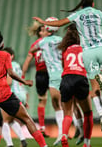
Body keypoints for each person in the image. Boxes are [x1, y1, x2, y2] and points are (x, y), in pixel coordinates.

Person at [33, 0, 102, 133]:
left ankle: (101, 115)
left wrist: (43, 23)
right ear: (93, 4)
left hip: (87, 53)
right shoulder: (98, 13)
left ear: (81, 5)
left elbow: (59, 23)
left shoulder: (77, 15)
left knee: (94, 89)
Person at [28, 17, 64, 146]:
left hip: (53, 76)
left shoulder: (42, 43)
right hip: (64, 74)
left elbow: (31, 51)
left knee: (56, 105)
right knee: (68, 105)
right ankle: (75, 131)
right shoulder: (61, 40)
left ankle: (61, 134)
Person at [58, 24, 93, 147]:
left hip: (66, 78)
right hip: (80, 78)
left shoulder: (65, 50)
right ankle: (87, 144)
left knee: (67, 112)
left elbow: (64, 65)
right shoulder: (85, 48)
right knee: (88, 113)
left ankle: (64, 136)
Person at [22, 22, 50, 137]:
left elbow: (28, 60)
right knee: (56, 100)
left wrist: (23, 76)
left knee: (42, 101)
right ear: (40, 33)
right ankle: (61, 130)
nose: (46, 32)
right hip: (50, 74)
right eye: (44, 30)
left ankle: (42, 127)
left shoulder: (34, 45)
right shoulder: (49, 42)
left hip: (40, 75)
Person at [2, 47, 28, 147]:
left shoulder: (8, 65)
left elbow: (9, 82)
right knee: (11, 120)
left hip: (12, 95)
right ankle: (23, 140)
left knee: (4, 121)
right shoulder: (17, 65)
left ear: (12, 56)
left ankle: (9, 144)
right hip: (21, 94)